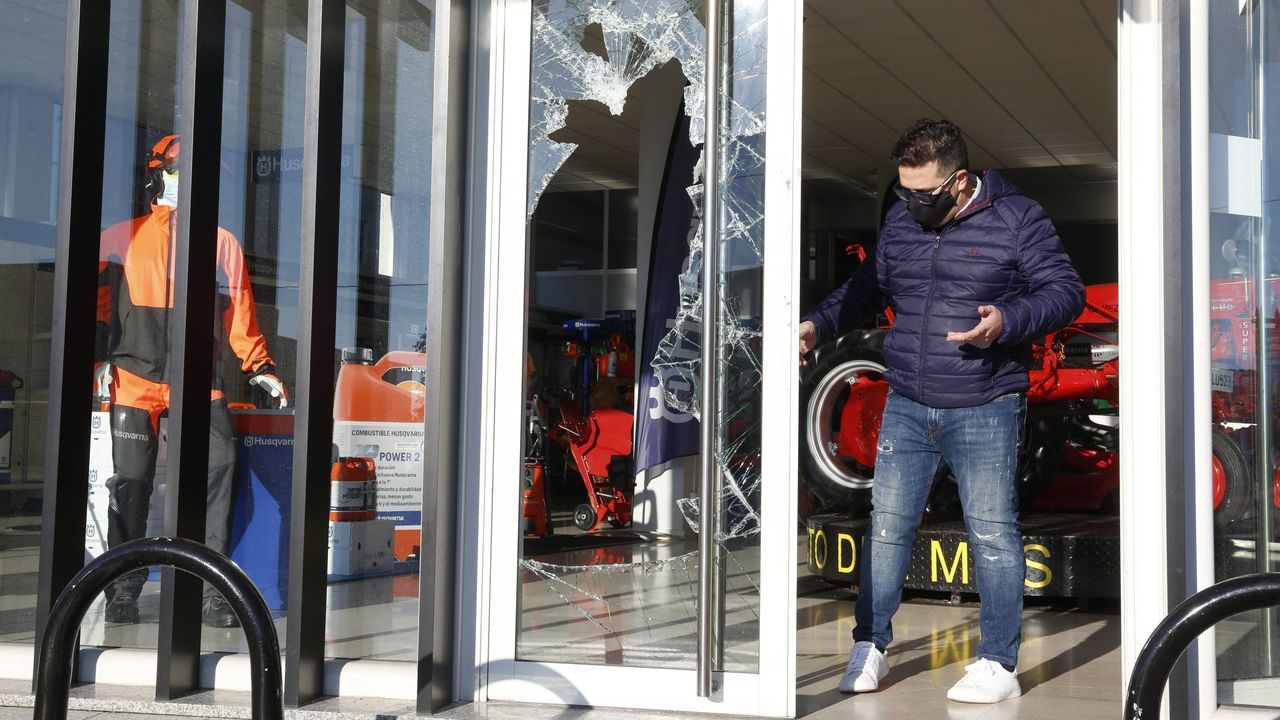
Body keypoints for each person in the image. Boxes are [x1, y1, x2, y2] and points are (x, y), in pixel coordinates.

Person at [799, 118, 1084, 704]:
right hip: (906, 401)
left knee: (993, 536)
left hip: (985, 403)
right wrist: (817, 324)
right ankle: (869, 645)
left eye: (923, 194)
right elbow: (866, 288)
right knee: (886, 528)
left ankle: (998, 664)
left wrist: (1006, 321)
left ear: (959, 181)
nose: (910, 204)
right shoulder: (903, 219)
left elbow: (1064, 291)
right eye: (903, 191)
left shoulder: (1017, 217)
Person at [95, 135, 289, 628]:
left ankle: (214, 591)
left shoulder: (221, 242)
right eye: (182, 173)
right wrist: (97, 358)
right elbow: (91, 309)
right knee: (132, 485)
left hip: (200, 383)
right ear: (156, 174)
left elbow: (239, 313)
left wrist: (260, 367)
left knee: (218, 472)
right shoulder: (119, 237)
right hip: (134, 378)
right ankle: (123, 591)